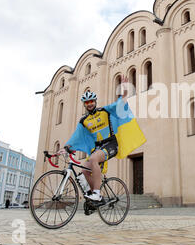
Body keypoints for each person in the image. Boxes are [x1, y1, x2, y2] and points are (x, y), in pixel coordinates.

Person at [59, 75, 146, 204]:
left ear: (95, 102)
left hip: (111, 144)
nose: (90, 104)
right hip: (98, 148)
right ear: (85, 105)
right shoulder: (84, 121)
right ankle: (95, 197)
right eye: (87, 102)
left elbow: (121, 102)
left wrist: (125, 90)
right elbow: (76, 136)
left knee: (93, 159)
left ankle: (97, 194)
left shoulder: (105, 111)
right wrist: (66, 147)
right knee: (84, 170)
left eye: (91, 101)